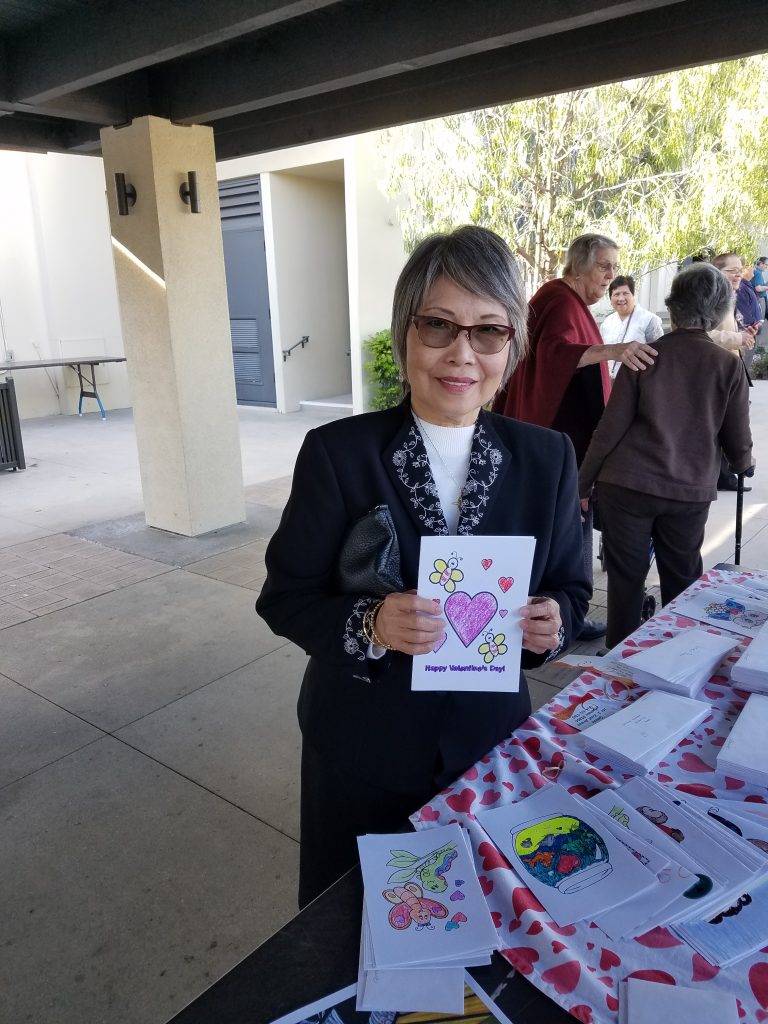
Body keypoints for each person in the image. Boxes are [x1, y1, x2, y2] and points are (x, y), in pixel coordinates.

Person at [257, 226, 590, 907]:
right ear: (405, 332)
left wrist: (553, 623)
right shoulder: (337, 454)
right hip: (360, 746)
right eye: (438, 325)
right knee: (349, 925)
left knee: (472, 916)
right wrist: (371, 622)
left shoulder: (546, 458)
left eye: (488, 331)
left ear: (512, 345)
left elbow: (572, 586)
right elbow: (285, 597)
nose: (462, 353)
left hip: (485, 743)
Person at [578, 263, 753, 651]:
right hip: (687, 491)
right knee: (682, 574)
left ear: (673, 306)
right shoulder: (727, 364)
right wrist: (744, 463)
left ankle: (618, 653)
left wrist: (583, 482)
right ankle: (677, 655)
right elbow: (736, 434)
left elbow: (610, 428)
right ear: (719, 308)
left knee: (626, 575)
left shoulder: (644, 357)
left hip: (626, 485)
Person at [492, 233, 658, 642]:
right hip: (555, 442)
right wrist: (615, 351)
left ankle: (557, 610)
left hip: (555, 438)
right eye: (604, 265)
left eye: (614, 266)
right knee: (569, 529)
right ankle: (571, 614)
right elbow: (555, 353)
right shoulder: (561, 300)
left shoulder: (564, 300)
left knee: (562, 527)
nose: (610, 275)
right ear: (579, 265)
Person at [710, 252, 758, 490]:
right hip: (714, 373)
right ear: (718, 273)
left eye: (740, 269)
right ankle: (724, 475)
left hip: (730, 370)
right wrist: (736, 337)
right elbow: (701, 334)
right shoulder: (709, 299)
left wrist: (743, 333)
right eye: (732, 270)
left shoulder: (728, 297)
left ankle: (727, 475)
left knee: (731, 422)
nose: (739, 274)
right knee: (723, 424)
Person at [600, 275, 664, 377]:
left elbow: (659, 356)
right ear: (611, 299)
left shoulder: (649, 320)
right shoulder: (606, 323)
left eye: (625, 293)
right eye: (616, 294)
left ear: (632, 295)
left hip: (639, 381)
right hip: (610, 381)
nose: (621, 298)